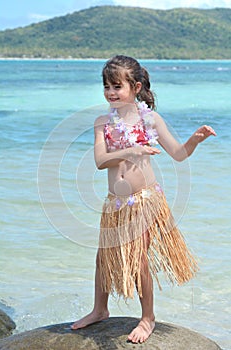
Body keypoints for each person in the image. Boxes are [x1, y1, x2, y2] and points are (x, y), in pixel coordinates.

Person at [71, 55, 216, 343]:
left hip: (145, 201)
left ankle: (148, 317)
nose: (111, 92)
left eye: (117, 86)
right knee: (104, 259)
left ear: (135, 87)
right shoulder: (103, 123)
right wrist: (130, 152)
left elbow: (177, 153)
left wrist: (194, 141)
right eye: (106, 86)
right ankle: (100, 309)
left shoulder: (150, 119)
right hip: (115, 204)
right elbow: (101, 161)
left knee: (138, 259)